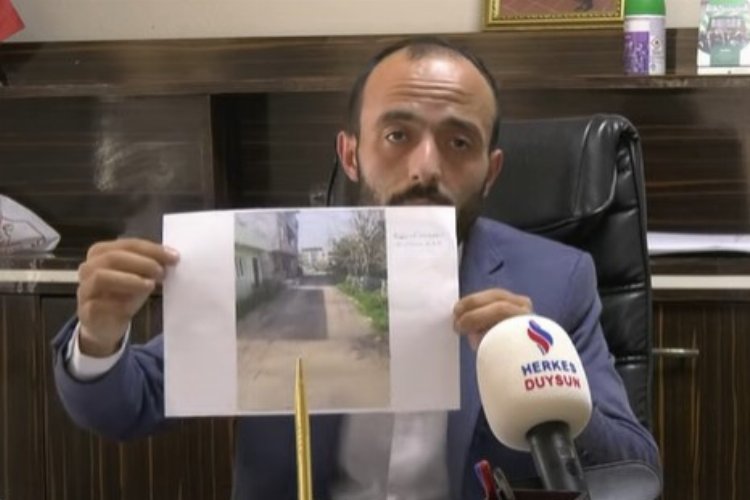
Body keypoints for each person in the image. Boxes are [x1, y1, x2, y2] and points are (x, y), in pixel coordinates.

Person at [52, 36, 660, 499]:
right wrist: (100, 338)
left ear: (491, 170)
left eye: (459, 142)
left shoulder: (555, 279)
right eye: (397, 135)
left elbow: (634, 467)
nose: (426, 167)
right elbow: (125, 406)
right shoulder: (284, 265)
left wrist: (543, 380)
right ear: (350, 153)